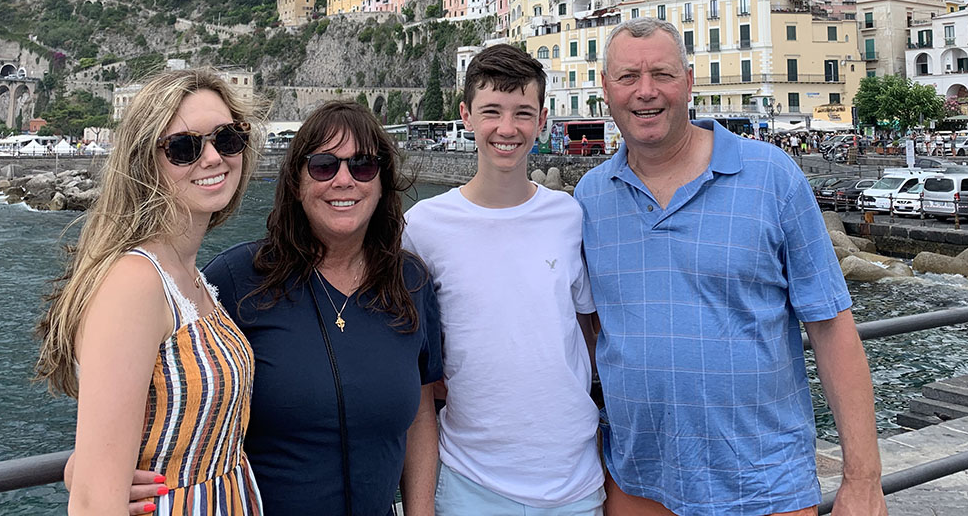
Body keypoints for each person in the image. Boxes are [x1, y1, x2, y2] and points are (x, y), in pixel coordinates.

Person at [576, 18, 887, 516]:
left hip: (763, 485)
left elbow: (831, 327)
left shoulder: (772, 176)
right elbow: (590, 330)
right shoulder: (590, 197)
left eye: (662, 74)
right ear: (606, 89)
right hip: (636, 481)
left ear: (689, 82)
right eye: (628, 77)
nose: (645, 91)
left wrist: (863, 478)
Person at [36, 67, 265, 516]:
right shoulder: (135, 283)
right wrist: (92, 474)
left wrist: (88, 464)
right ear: (145, 162)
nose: (213, 157)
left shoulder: (189, 277)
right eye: (184, 147)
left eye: (227, 138)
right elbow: (93, 501)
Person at [203, 100, 442, 516]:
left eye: (363, 165)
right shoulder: (236, 279)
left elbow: (421, 414)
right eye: (323, 166)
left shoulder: (410, 282)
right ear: (297, 184)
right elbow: (172, 393)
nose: (343, 180)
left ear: (382, 182)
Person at [403, 45, 604, 515]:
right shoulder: (423, 227)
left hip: (573, 482)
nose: (507, 128)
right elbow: (409, 350)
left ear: (542, 120)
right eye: (492, 111)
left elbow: (588, 332)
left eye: (522, 113)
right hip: (469, 482)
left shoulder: (570, 216)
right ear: (466, 116)